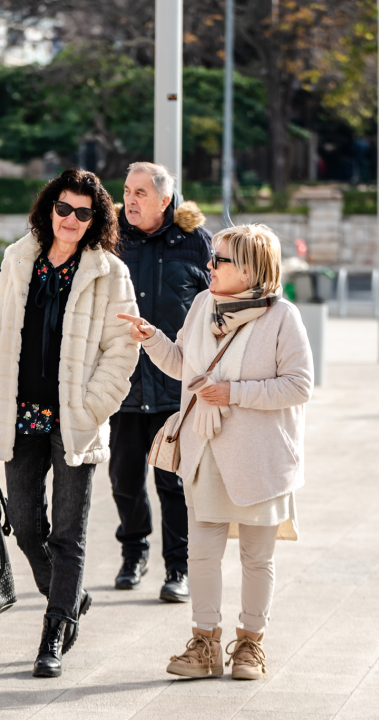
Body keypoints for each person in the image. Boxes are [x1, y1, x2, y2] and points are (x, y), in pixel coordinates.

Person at [0, 168, 139, 678]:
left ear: (96, 219)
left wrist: (90, 405)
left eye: (83, 212)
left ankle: (55, 630)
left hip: (75, 421)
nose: (71, 219)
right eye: (64, 208)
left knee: (68, 533)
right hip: (19, 416)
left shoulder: (110, 273)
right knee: (24, 525)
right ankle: (70, 596)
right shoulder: (19, 260)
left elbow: (122, 351)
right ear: (49, 208)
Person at [118, 224, 313, 681]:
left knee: (256, 558)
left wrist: (233, 393)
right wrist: (151, 338)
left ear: (248, 268)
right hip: (204, 451)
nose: (209, 265)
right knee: (202, 555)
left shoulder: (283, 316)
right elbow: (183, 365)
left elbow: (299, 386)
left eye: (219, 260)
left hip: (261, 458)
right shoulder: (204, 304)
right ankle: (205, 645)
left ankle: (250, 645)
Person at [109, 162, 212, 603]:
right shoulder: (111, 238)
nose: (130, 200)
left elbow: (216, 302)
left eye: (141, 193)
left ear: (165, 200)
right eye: (127, 191)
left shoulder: (195, 241)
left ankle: (178, 568)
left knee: (173, 483)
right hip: (124, 385)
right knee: (124, 480)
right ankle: (134, 553)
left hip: (175, 386)